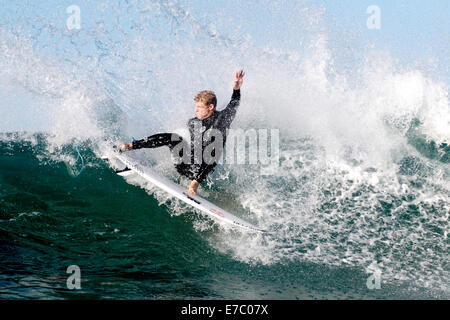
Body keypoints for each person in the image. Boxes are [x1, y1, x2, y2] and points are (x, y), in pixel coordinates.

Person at [118, 70, 245, 195]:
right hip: (185, 164)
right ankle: (131, 146)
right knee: (174, 138)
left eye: (199, 108)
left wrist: (236, 89)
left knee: (212, 147)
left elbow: (233, 105)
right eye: (196, 107)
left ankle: (194, 184)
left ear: (210, 107)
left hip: (201, 171)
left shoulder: (222, 120)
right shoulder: (193, 122)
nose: (196, 110)